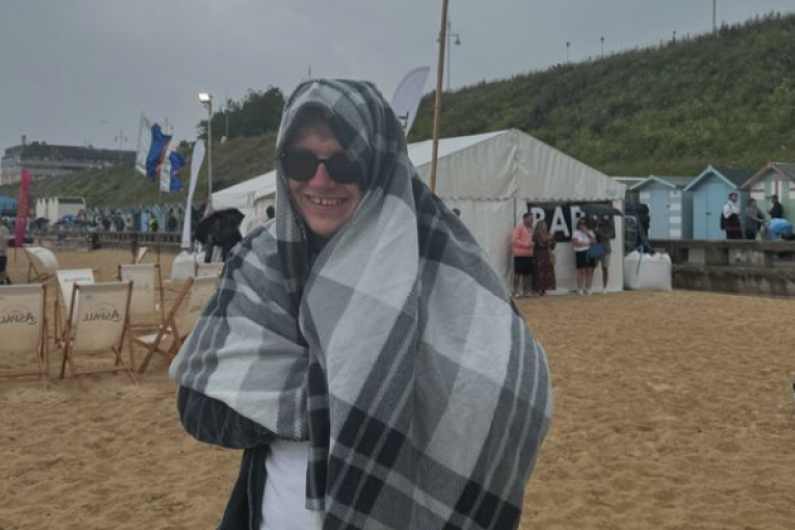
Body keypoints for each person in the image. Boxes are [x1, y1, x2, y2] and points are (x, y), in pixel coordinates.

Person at [170, 79, 551, 530]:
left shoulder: (440, 263)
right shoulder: (258, 262)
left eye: (345, 162)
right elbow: (198, 406)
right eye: (300, 160)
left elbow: (514, 390)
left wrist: (354, 389)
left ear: (378, 163)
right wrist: (337, 396)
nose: (320, 180)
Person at [512, 212, 535, 297]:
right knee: (517, 273)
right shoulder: (519, 228)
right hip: (520, 254)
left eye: (532, 218)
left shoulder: (531, 229)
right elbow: (514, 241)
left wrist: (531, 244)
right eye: (530, 218)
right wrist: (526, 245)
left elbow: (529, 241)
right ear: (525, 219)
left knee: (528, 274)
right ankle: (515, 291)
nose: (532, 220)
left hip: (529, 254)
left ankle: (527, 291)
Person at [572, 217, 596, 295]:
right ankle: (580, 288)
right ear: (578, 225)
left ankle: (588, 288)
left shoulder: (590, 232)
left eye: (584, 223)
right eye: (581, 223)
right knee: (581, 271)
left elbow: (594, 241)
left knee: (589, 271)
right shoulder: (576, 232)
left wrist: (587, 234)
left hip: (590, 252)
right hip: (580, 253)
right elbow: (576, 243)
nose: (582, 225)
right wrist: (587, 243)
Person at [532, 219, 556, 296]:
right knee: (539, 272)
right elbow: (541, 244)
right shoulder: (536, 235)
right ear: (540, 226)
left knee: (546, 272)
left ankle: (544, 289)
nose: (546, 226)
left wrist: (552, 240)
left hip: (547, 255)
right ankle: (537, 289)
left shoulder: (548, 234)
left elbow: (552, 246)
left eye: (546, 224)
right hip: (539, 256)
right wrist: (548, 239)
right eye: (544, 224)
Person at [593, 219, 612, 294]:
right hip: (596, 247)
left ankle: (605, 287)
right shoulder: (593, 223)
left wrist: (599, 232)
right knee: (591, 267)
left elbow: (608, 236)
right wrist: (594, 231)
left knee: (605, 268)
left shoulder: (609, 225)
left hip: (605, 249)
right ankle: (589, 286)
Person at [0, 218, 10, 285]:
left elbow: (5, 240)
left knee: (2, 269)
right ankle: (8, 281)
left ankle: (3, 282)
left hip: (2, 253)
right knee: (2, 269)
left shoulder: (4, 229)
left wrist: (2, 249)